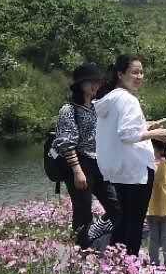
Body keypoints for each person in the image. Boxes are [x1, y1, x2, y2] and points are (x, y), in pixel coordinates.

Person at [94, 55, 166, 256]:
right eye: (134, 72)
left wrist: (147, 126)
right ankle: (129, 265)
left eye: (141, 72)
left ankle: (115, 262)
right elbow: (126, 134)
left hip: (118, 169)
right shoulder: (128, 99)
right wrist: (157, 134)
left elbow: (118, 131)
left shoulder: (111, 98)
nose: (139, 76)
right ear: (120, 74)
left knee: (124, 218)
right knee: (134, 221)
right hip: (135, 169)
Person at [50, 62, 119, 250]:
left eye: (98, 82)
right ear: (81, 85)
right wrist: (77, 171)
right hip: (80, 163)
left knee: (116, 205)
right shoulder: (69, 109)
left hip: (99, 163)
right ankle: (82, 251)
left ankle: (109, 245)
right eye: (91, 82)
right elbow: (65, 142)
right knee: (83, 211)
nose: (95, 86)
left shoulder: (98, 106)